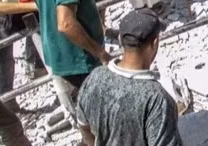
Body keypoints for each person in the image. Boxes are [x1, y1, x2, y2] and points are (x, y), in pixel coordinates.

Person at [76, 8, 182, 146]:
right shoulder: (156, 99)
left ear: (120, 40)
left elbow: (83, 126)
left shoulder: (95, 77)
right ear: (155, 43)